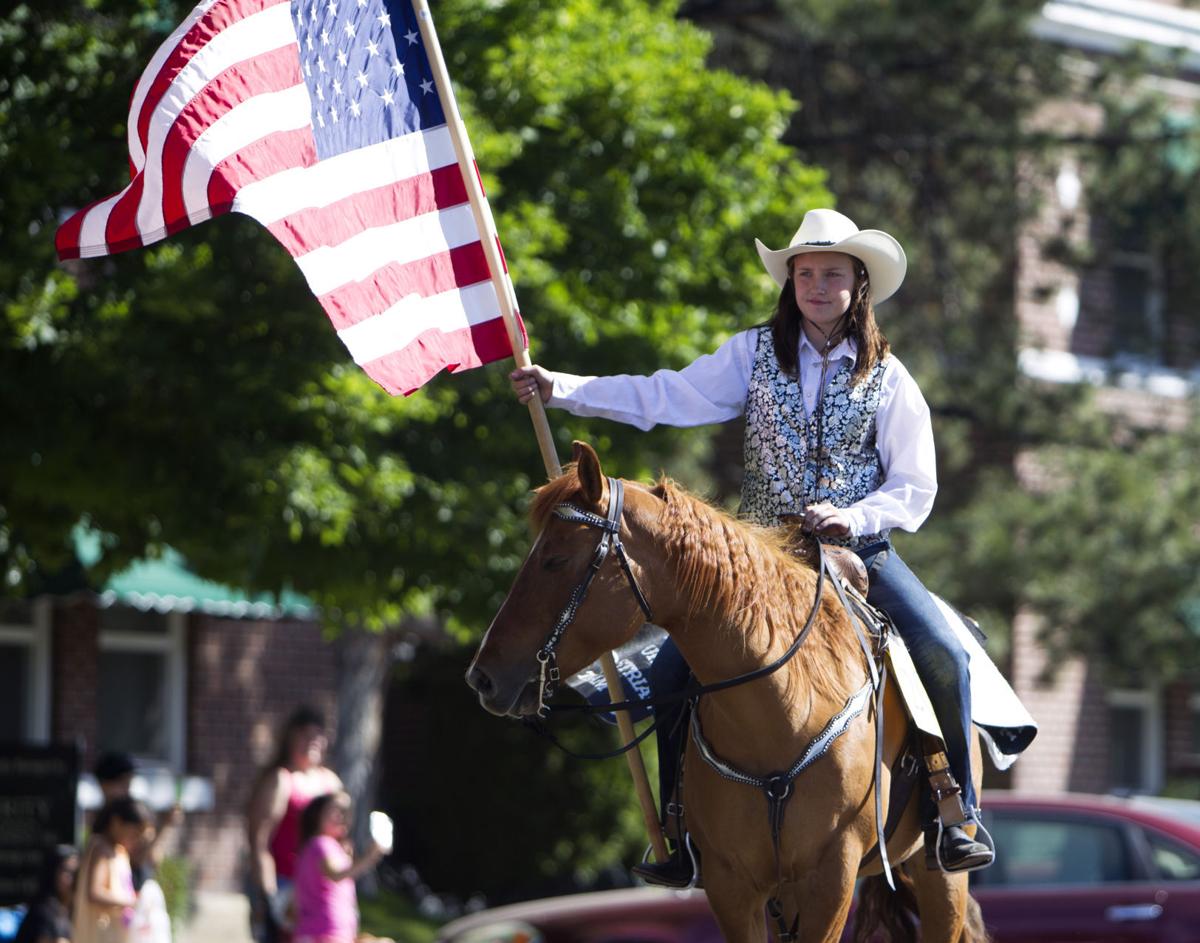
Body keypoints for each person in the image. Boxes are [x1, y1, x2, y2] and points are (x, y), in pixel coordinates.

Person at [510, 208, 992, 881]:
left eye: (831, 274)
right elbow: (667, 395)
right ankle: (678, 829)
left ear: (859, 284)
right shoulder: (752, 353)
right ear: (790, 281)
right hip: (759, 560)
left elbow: (917, 487)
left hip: (859, 553)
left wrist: (852, 517)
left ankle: (958, 811)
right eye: (805, 273)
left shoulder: (892, 379)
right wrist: (563, 390)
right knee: (675, 672)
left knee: (942, 651)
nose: (817, 285)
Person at [246, 707, 343, 943]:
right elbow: (260, 840)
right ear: (291, 738)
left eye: (318, 735)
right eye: (305, 735)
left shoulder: (330, 782)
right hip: (286, 883)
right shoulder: (281, 780)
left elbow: (341, 836)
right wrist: (268, 892)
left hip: (321, 888)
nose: (313, 742)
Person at [291, 792, 387, 943]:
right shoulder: (321, 844)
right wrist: (370, 857)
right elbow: (335, 875)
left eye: (346, 810)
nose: (343, 815)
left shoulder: (322, 846)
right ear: (317, 815)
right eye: (336, 809)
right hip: (325, 930)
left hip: (324, 930)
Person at [92, 753, 183, 894]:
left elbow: (153, 857)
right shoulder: (104, 824)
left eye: (129, 783)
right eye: (122, 783)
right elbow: (137, 857)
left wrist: (166, 826)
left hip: (135, 888)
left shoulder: (135, 811)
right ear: (104, 785)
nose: (127, 789)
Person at [73, 798, 151, 943]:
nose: (134, 840)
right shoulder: (101, 849)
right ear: (116, 823)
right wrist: (131, 901)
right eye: (133, 834)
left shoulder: (119, 851)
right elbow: (95, 892)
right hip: (99, 934)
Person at [15, 845, 77, 943]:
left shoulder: (71, 908)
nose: (73, 879)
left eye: (76, 872)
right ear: (52, 873)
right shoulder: (43, 909)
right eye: (67, 872)